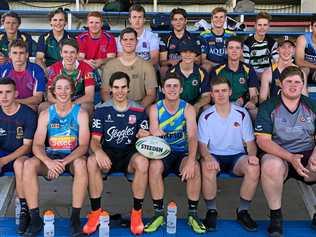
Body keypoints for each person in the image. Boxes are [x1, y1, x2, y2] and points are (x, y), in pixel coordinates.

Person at [83, 71, 150, 235]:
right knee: (91, 161)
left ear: (128, 89)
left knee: (143, 162)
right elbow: (95, 140)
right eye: (116, 87)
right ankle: (96, 213)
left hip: (129, 155)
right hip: (109, 154)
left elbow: (145, 137)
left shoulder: (139, 110)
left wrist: (145, 134)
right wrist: (98, 152)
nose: (120, 91)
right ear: (110, 89)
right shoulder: (102, 109)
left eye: (123, 87)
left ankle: (136, 214)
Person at [23, 75, 90, 237]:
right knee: (28, 165)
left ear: (72, 91)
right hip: (51, 157)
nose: (63, 91)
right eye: (59, 88)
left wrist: (63, 162)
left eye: (67, 88)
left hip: (72, 158)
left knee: (81, 164)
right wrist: (49, 162)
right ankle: (34, 218)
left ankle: (74, 218)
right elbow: (37, 145)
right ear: (53, 91)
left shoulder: (81, 113)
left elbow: (83, 146)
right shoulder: (46, 114)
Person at [255, 66, 316, 237]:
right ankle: (276, 216)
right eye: (289, 81)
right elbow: (263, 141)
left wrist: (315, 156)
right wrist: (290, 157)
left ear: (303, 85)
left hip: (307, 155)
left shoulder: (311, 105)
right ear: (280, 84)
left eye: (297, 82)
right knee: (270, 166)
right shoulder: (268, 106)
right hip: (280, 155)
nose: (293, 85)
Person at [144, 73, 206, 234]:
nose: (172, 89)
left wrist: (192, 160)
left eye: (175, 86)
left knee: (195, 168)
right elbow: (154, 132)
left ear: (181, 89)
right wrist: (154, 133)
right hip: (162, 152)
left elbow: (192, 136)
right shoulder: (155, 108)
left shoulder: (188, 108)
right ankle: (158, 213)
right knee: (154, 166)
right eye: (169, 86)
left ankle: (193, 214)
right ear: (162, 89)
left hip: (181, 152)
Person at [198, 76, 259, 232]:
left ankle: (243, 211)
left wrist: (252, 156)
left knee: (253, 168)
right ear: (211, 94)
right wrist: (208, 157)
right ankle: (211, 211)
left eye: (224, 90)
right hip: (214, 155)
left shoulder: (242, 113)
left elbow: (250, 143)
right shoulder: (206, 115)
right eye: (216, 91)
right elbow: (203, 146)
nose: (220, 94)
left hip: (236, 156)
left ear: (230, 92)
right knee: (207, 167)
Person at [0, 77, 37, 235]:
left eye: (8, 92)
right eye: (0, 92)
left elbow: (27, 146)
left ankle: (24, 210)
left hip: (20, 153)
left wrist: (3, 161)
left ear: (16, 93)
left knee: (20, 165)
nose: (4, 96)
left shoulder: (27, 114)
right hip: (2, 153)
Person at [101, 27, 157, 109]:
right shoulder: (110, 65)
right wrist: (115, 108)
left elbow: (151, 94)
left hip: (138, 106)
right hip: (115, 106)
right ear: (120, 42)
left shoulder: (147, 66)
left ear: (137, 42)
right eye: (125, 39)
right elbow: (105, 92)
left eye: (131, 39)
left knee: (152, 111)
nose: (128, 42)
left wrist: (137, 108)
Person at [205, 37, 259, 118]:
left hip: (242, 106)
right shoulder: (216, 70)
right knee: (205, 108)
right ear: (226, 50)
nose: (234, 51)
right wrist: (228, 105)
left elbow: (254, 96)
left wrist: (251, 102)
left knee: (254, 111)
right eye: (231, 48)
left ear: (241, 51)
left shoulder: (249, 69)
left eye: (237, 48)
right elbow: (212, 96)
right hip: (220, 105)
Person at [45, 38, 95, 115]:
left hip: (79, 101)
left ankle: (83, 126)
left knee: (87, 106)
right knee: (43, 106)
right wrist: (62, 104)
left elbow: (89, 96)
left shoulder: (87, 68)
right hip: (59, 100)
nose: (69, 55)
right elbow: (50, 96)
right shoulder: (53, 68)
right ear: (61, 53)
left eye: (72, 52)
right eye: (65, 52)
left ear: (77, 54)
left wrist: (71, 105)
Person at [0, 40, 46, 111]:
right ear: (9, 55)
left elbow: (38, 98)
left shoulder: (36, 70)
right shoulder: (2, 70)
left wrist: (14, 102)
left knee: (32, 108)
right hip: (5, 105)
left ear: (27, 55)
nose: (18, 56)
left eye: (21, 53)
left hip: (28, 106)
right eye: (15, 53)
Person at [167, 39, 210, 114]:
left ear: (196, 54)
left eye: (191, 52)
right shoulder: (171, 72)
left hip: (195, 105)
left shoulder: (202, 72)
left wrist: (197, 105)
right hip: (176, 105)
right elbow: (168, 96)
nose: (188, 55)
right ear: (180, 53)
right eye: (184, 52)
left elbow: (206, 96)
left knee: (207, 108)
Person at [260, 38, 306, 103]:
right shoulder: (268, 73)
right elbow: (262, 100)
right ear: (277, 50)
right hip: (275, 110)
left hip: (295, 110)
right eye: (283, 47)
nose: (286, 50)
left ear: (294, 50)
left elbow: (304, 97)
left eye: (289, 47)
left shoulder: (301, 73)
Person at [159, 8, 200, 78]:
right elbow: (162, 62)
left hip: (188, 67)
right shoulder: (165, 38)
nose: (178, 22)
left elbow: (198, 60)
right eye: (175, 20)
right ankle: (165, 88)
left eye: (181, 19)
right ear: (171, 22)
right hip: (172, 68)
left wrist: (183, 61)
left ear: (185, 21)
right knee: (163, 69)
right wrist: (170, 62)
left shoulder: (193, 38)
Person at [243, 11, 278, 79]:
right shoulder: (247, 43)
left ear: (268, 26)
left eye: (265, 25)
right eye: (259, 25)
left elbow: (277, 60)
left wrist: (268, 73)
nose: (262, 28)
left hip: (267, 74)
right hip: (252, 74)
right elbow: (246, 64)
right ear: (255, 26)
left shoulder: (272, 42)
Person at [200, 7, 235, 72]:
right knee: (205, 66)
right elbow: (203, 59)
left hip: (227, 65)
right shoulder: (204, 35)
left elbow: (236, 56)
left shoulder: (231, 35)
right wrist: (218, 67)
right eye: (216, 17)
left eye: (221, 17)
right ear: (212, 19)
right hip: (211, 65)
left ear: (225, 19)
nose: (218, 19)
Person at [295, 14, 316, 84]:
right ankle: (303, 93)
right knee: (304, 70)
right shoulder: (303, 39)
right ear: (311, 27)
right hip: (306, 69)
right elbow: (299, 61)